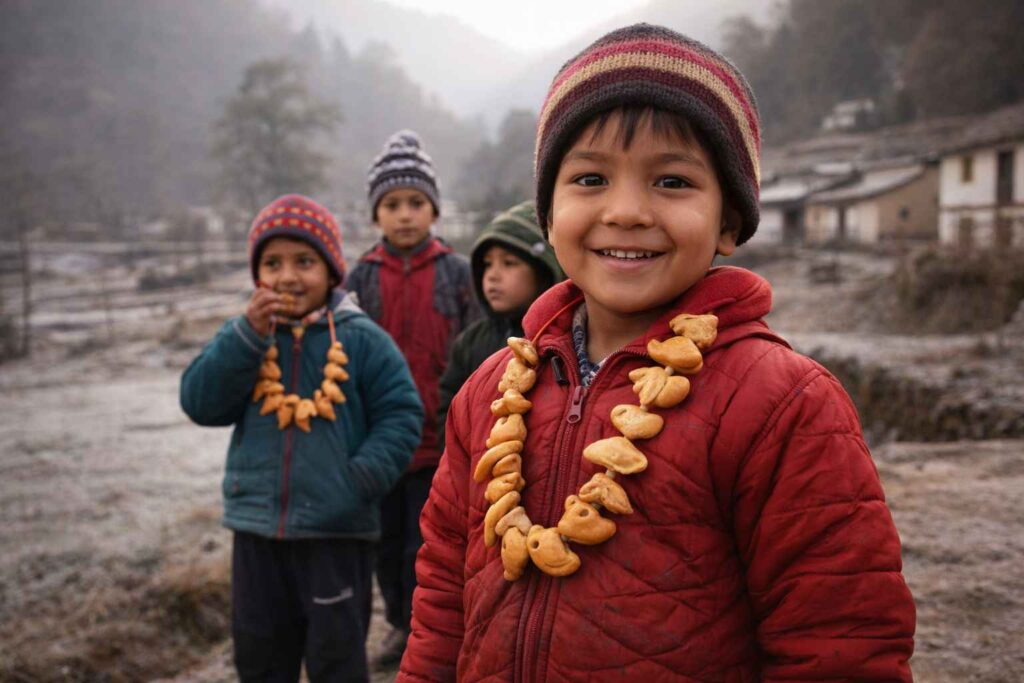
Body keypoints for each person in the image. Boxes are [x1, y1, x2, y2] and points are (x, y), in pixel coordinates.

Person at [400, 24, 916, 682]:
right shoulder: (490, 392)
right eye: (589, 178)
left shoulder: (784, 405)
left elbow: (840, 644)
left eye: (671, 182)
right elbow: (445, 601)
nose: (626, 210)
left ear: (729, 220)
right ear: (548, 214)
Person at [180, 193, 423, 682]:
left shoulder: (362, 340)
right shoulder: (246, 338)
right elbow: (200, 403)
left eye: (304, 262)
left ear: (332, 271)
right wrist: (246, 338)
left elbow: (401, 416)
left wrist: (356, 481)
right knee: (261, 656)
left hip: (336, 534)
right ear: (257, 276)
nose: (287, 276)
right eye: (272, 263)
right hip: (257, 533)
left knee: (337, 660)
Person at [345, 130, 479, 668]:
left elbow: (474, 354)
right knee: (385, 542)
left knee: (427, 547)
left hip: (438, 440)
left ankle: (434, 631)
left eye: (415, 204)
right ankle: (401, 625)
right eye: (393, 205)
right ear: (377, 214)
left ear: (434, 210)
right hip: (378, 441)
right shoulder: (360, 277)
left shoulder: (459, 273)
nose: (405, 215)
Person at [436, 199, 563, 448]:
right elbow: (448, 413)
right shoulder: (471, 341)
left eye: (509, 263)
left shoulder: (561, 343)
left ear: (543, 271)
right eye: (487, 264)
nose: (493, 275)